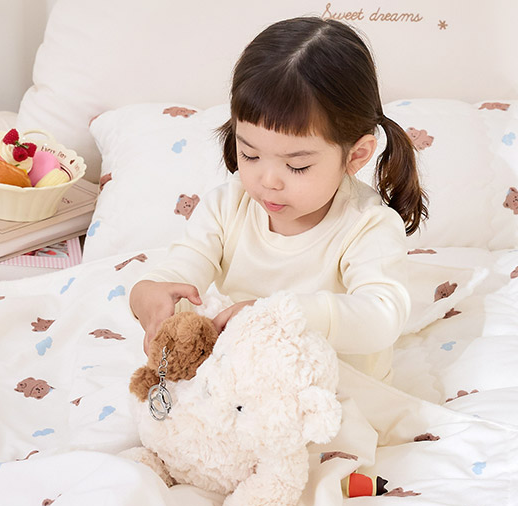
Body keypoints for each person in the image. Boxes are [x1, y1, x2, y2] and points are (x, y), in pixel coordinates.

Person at [129, 16, 428, 381]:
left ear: (356, 155)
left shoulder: (367, 224)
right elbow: (181, 270)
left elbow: (381, 317)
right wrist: (147, 293)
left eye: (297, 165)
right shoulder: (226, 207)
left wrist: (280, 314)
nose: (267, 181)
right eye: (250, 155)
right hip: (244, 382)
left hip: (333, 389)